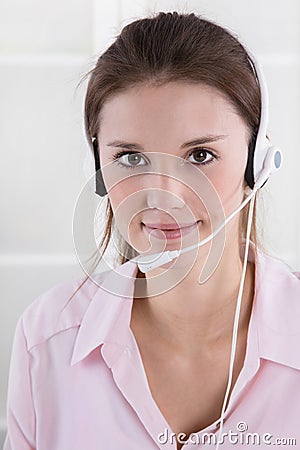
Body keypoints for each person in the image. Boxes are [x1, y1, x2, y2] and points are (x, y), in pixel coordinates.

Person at [4, 11, 300, 450]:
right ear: (97, 169)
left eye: (199, 155)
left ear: (257, 162)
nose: (164, 196)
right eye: (131, 157)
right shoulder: (46, 339)